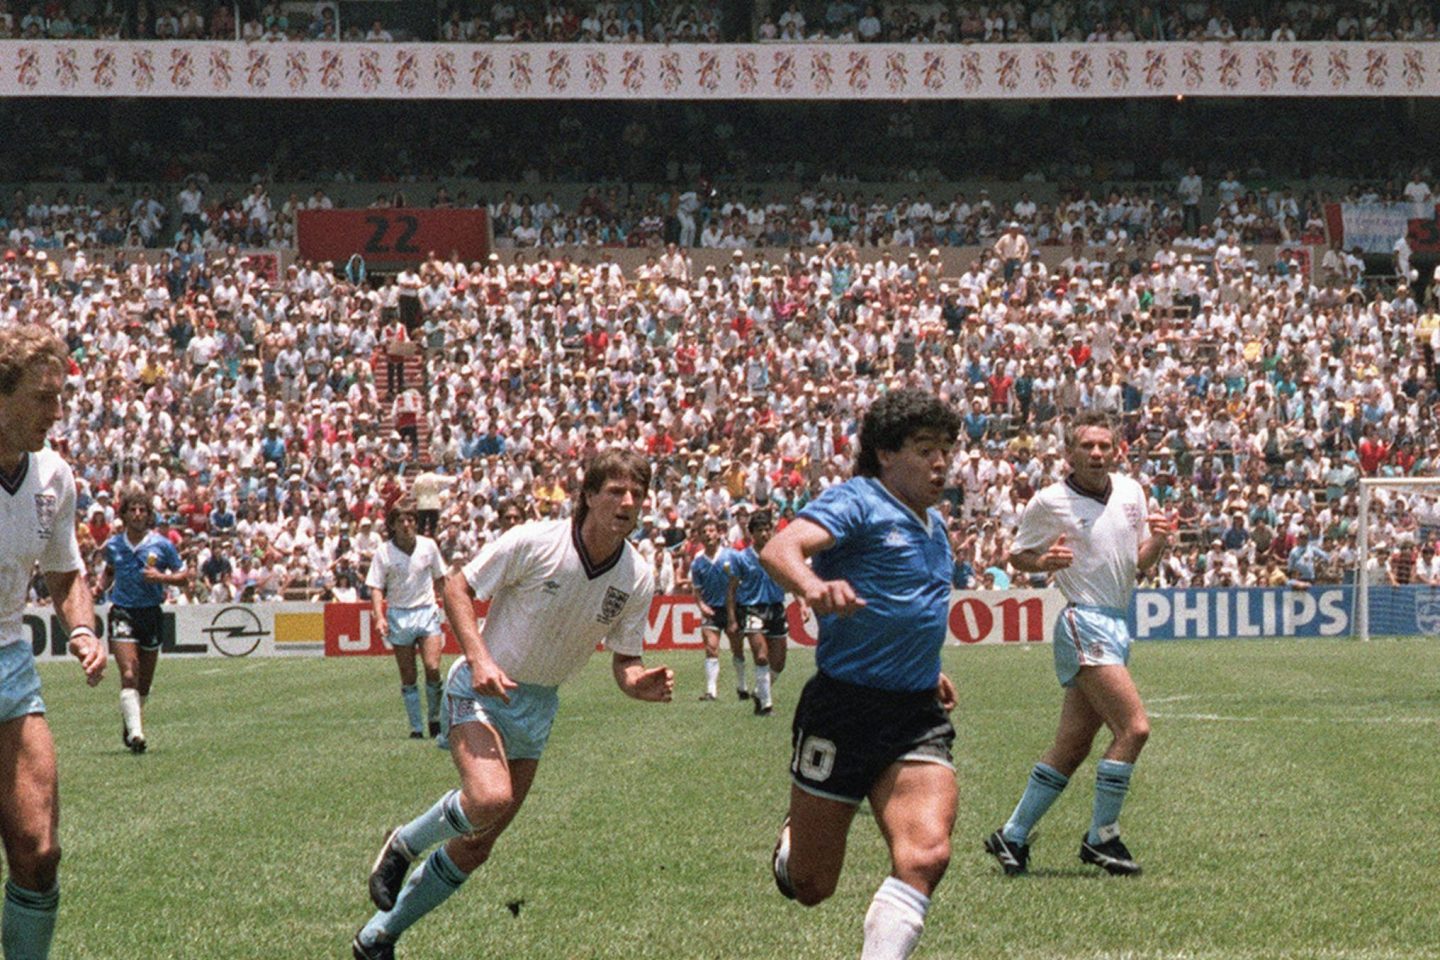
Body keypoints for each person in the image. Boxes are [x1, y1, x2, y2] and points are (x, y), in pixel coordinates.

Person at [353, 449, 674, 960]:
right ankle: (404, 845)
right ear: (589, 495)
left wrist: (638, 683)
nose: (628, 501)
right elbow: (458, 585)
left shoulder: (636, 576)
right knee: (489, 798)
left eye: (637, 493)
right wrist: (479, 659)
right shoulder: (535, 540)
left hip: (539, 707)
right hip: (481, 690)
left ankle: (377, 937)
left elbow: (626, 660)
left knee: (478, 844)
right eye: (615, 490)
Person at [758, 389, 962, 960]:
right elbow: (780, 548)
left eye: (946, 449)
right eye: (925, 449)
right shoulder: (858, 501)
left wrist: (930, 668)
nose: (940, 462)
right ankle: (791, 844)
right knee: (812, 887)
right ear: (884, 454)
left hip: (915, 712)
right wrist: (813, 586)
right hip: (843, 709)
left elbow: (911, 609)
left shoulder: (935, 526)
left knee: (926, 855)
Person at [984, 410, 1172, 878]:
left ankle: (1012, 836)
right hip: (1083, 621)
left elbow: (1137, 565)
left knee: (1072, 746)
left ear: (1116, 450)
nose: (1096, 453)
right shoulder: (1050, 501)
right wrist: (1044, 559)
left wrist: (1162, 541)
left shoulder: (1132, 492)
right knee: (1134, 729)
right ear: (1069, 453)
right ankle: (1101, 837)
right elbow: (1017, 555)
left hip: (1114, 622)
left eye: (1104, 446)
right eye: (1087, 446)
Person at [0, 325, 107, 959]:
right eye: (43, 397)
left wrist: (84, 627)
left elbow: (65, 573)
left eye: (60, 395)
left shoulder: (53, 476)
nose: (57, 411)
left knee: (39, 851)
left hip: (10, 658)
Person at [98, 491, 187, 753]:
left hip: (151, 613)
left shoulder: (162, 545)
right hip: (123, 611)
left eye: (142, 510)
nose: (137, 514)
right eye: (132, 510)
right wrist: (99, 587)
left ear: (149, 515)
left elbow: (183, 576)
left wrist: (161, 578)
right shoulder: (113, 545)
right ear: (124, 514)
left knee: (144, 683)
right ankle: (137, 734)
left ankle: (131, 722)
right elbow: (110, 571)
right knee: (128, 673)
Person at [365, 498, 449, 740]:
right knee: (408, 675)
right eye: (400, 520)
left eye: (410, 520)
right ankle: (416, 728)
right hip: (399, 614)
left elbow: (441, 580)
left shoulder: (429, 546)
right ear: (392, 525)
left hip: (426, 611)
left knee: (432, 667)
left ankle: (434, 718)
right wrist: (379, 616)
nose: (405, 524)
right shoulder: (384, 552)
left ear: (416, 522)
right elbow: (376, 587)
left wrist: (451, 610)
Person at [726, 512, 789, 715]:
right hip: (752, 609)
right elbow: (732, 590)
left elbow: (790, 579)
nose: (764, 533)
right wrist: (732, 618)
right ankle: (766, 706)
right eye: (760, 530)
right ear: (752, 533)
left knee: (778, 663)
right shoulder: (742, 558)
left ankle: (759, 692)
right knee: (761, 656)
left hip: (776, 608)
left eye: (767, 529)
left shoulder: (778, 555)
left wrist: (803, 603)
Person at [689, 516, 740, 701]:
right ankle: (711, 691)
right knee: (711, 648)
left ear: (718, 533)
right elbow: (696, 590)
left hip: (732, 610)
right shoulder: (697, 563)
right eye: (704, 532)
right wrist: (701, 606)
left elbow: (739, 581)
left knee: (737, 649)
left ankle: (742, 686)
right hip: (711, 611)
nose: (707, 535)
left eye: (711, 531)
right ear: (700, 538)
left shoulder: (731, 556)